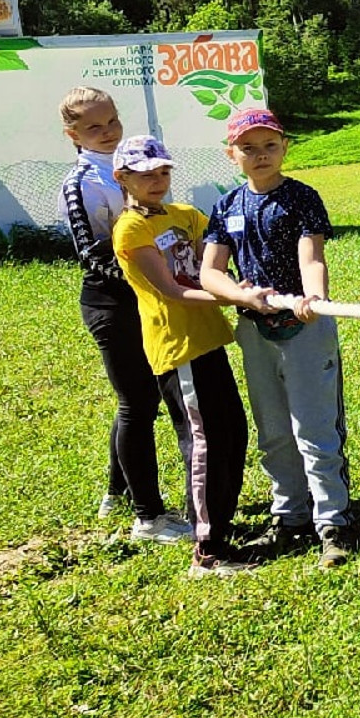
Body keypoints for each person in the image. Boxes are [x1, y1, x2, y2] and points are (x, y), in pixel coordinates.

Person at [199, 106, 354, 569]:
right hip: (255, 330)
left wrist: (313, 297)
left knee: (315, 428)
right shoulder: (227, 206)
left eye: (269, 145)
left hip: (304, 328)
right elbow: (211, 272)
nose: (260, 155)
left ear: (284, 147)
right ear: (232, 155)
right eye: (248, 148)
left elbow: (312, 257)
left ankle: (334, 523)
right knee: (273, 431)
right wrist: (241, 297)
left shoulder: (302, 198)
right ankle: (289, 518)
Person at [109, 134, 253, 578]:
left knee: (233, 432)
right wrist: (235, 296)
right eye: (145, 174)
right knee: (205, 443)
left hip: (210, 338)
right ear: (123, 178)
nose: (156, 180)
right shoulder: (131, 229)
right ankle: (207, 553)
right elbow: (172, 289)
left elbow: (223, 254)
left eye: (163, 171)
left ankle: (218, 526)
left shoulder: (187, 215)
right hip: (178, 347)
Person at [57, 86, 193, 543]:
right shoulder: (81, 183)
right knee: (137, 401)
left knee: (143, 399)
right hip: (112, 304)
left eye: (112, 120)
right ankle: (149, 516)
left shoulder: (135, 165)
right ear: (72, 134)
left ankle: (117, 490)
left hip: (152, 299)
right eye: (94, 127)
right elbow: (91, 255)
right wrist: (156, 282)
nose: (108, 132)